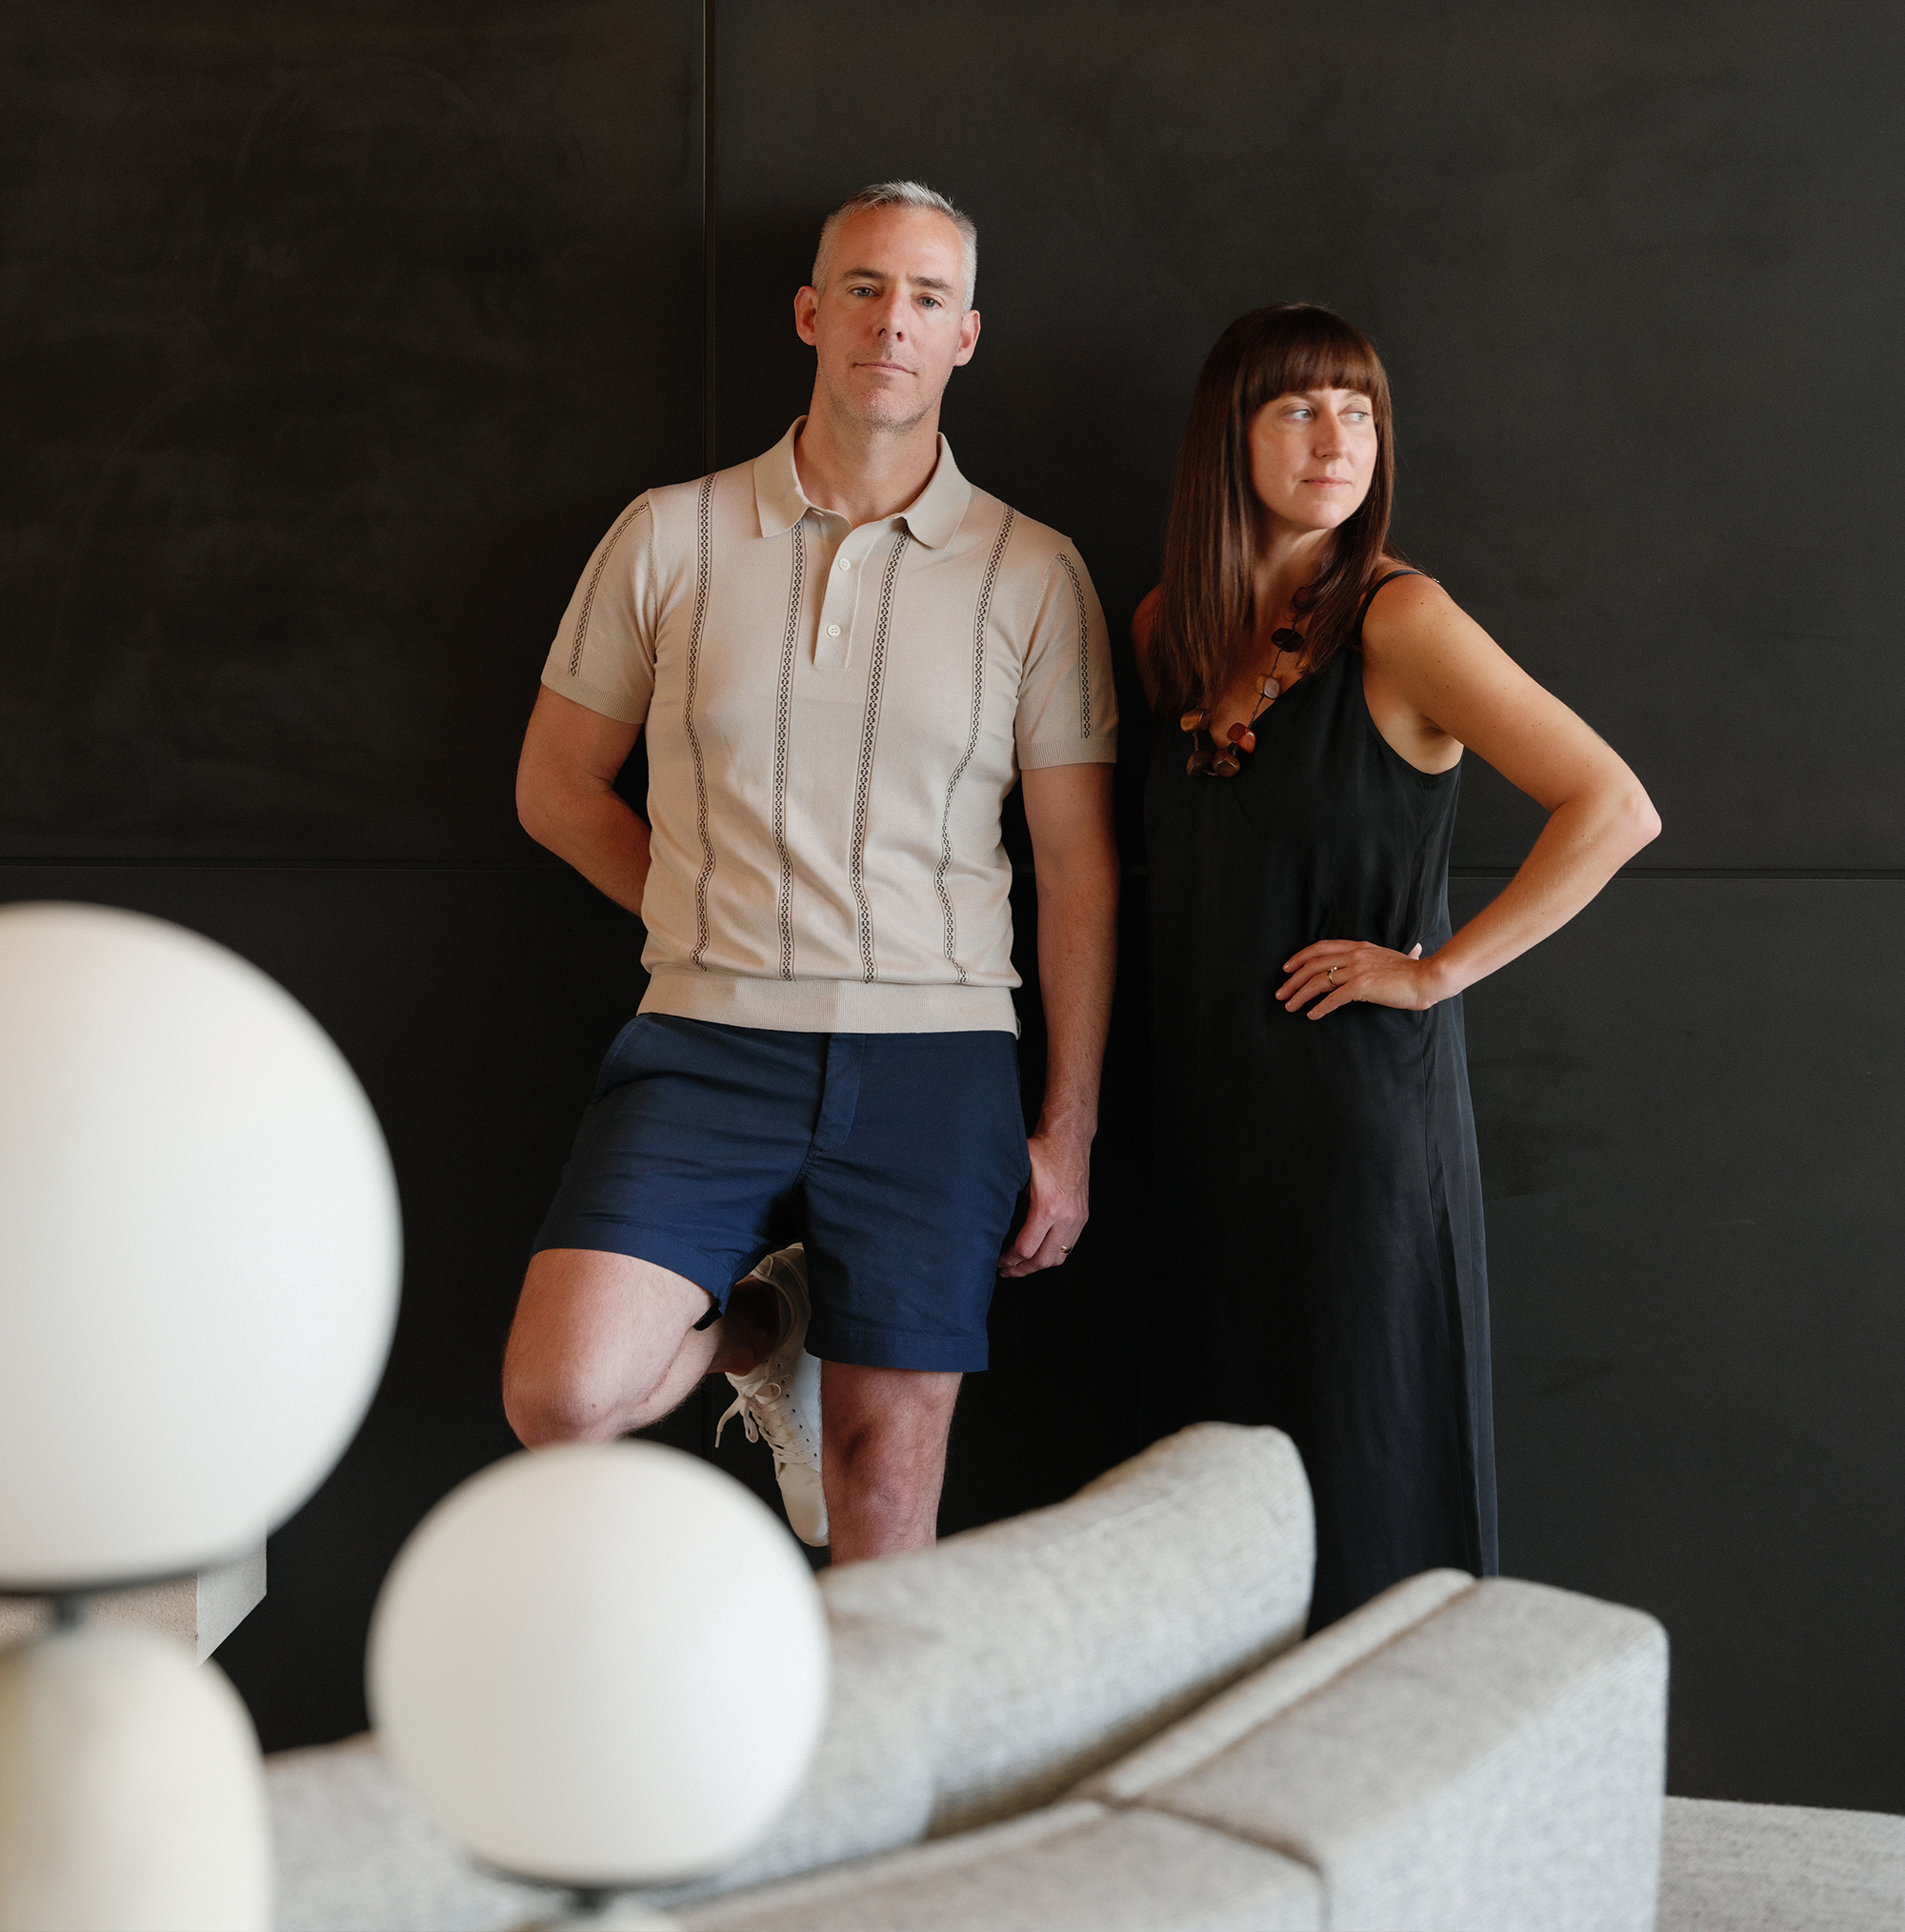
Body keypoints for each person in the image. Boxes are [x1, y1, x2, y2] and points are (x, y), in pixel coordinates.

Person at [502, 181, 1120, 1562]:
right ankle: (767, 1328)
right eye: (861, 288)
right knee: (565, 1393)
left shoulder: (1035, 573)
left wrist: (1066, 1126)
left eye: (925, 298)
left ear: (966, 337)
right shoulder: (668, 535)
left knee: (885, 1502)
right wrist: (707, 906)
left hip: (939, 1059)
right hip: (705, 1044)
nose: (889, 322)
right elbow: (554, 790)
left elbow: (1076, 868)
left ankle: (862, 1783)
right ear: (810, 312)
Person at [1134, 302, 1659, 1628]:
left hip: (1356, 1130)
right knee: (1209, 1484)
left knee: (1365, 1459)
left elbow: (1611, 806)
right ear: (1227, 437)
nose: (1337, 439)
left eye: (1359, 411)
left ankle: (1402, 1791)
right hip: (1200, 1123)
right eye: (1300, 409)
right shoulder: (1166, 632)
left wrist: (1434, 974)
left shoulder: (1399, 619)